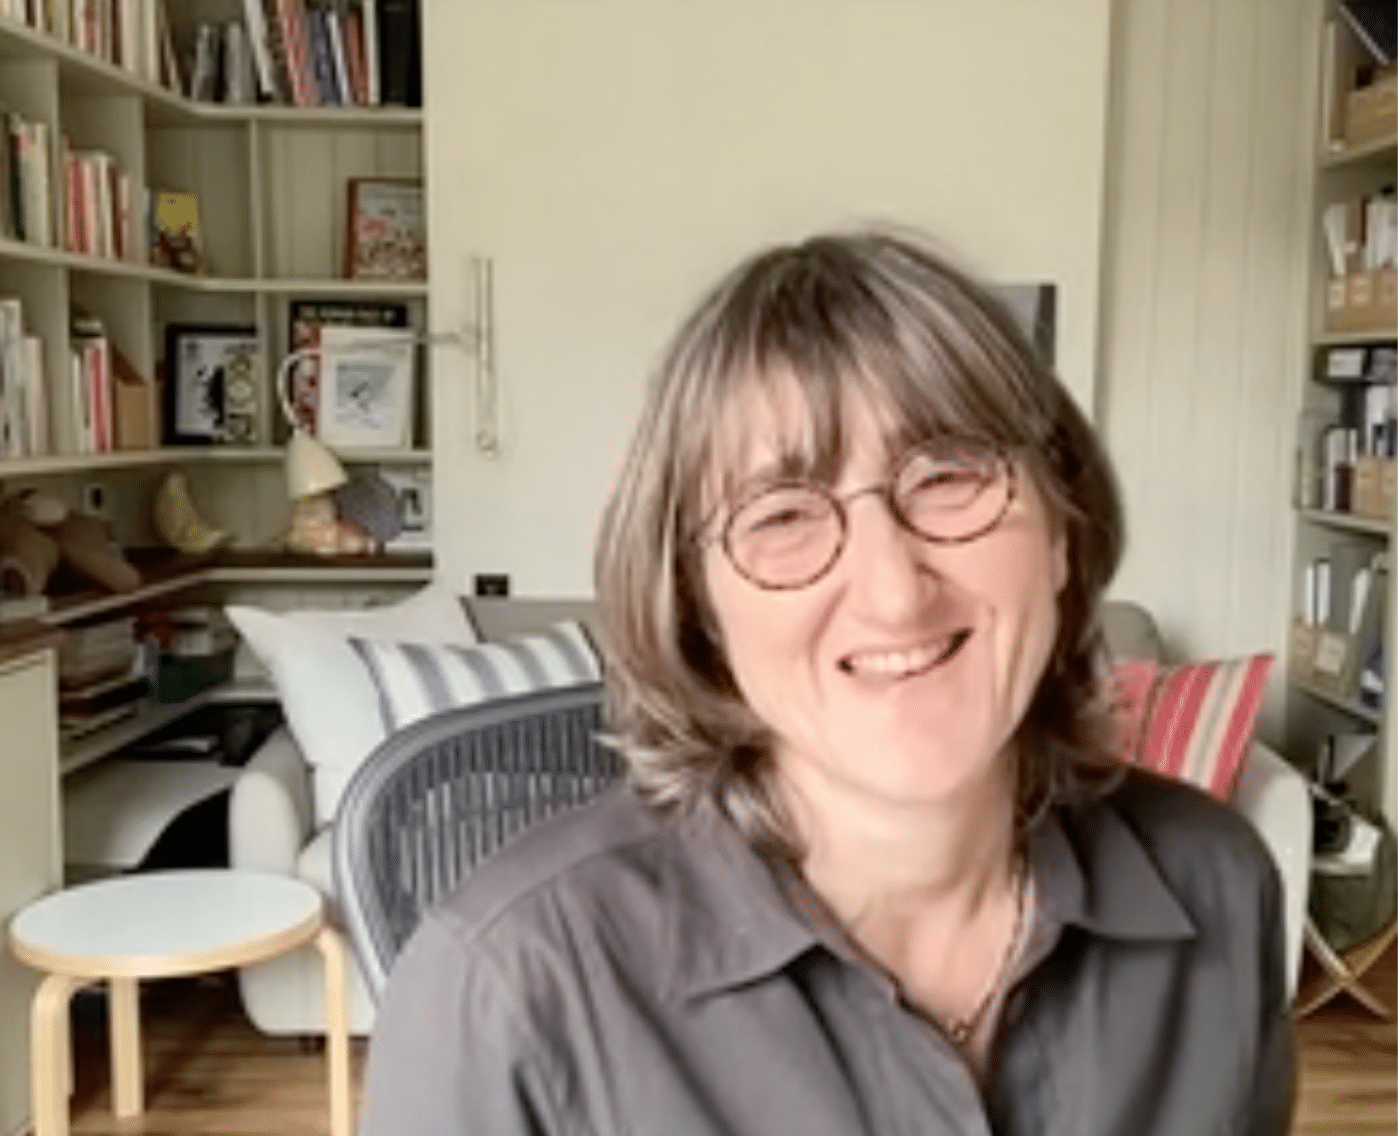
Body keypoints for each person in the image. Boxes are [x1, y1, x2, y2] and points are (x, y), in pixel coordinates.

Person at [360, 227, 1294, 1135]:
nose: (894, 595)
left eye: (948, 476)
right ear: (699, 609)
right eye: (782, 516)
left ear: (1061, 524)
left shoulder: (1217, 886)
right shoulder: (504, 991)